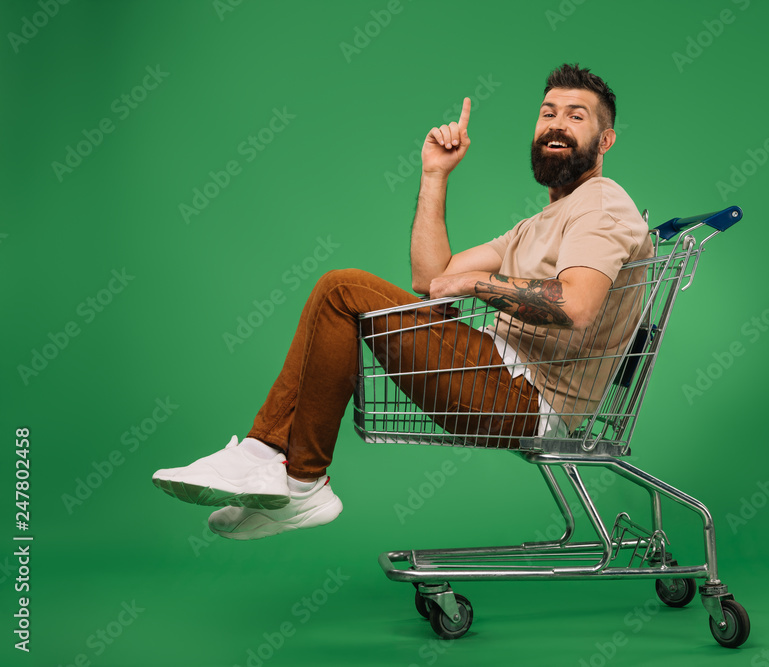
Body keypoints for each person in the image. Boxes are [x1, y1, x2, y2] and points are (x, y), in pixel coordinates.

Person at [152, 63, 653, 540]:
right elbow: (430, 276)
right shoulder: (537, 223)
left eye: (576, 115)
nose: (556, 125)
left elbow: (577, 305)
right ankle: (276, 469)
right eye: (548, 113)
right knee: (342, 293)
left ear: (604, 140)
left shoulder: (601, 203)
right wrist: (435, 175)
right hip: (497, 372)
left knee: (342, 290)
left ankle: (296, 478)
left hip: (525, 396)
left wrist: (478, 286)